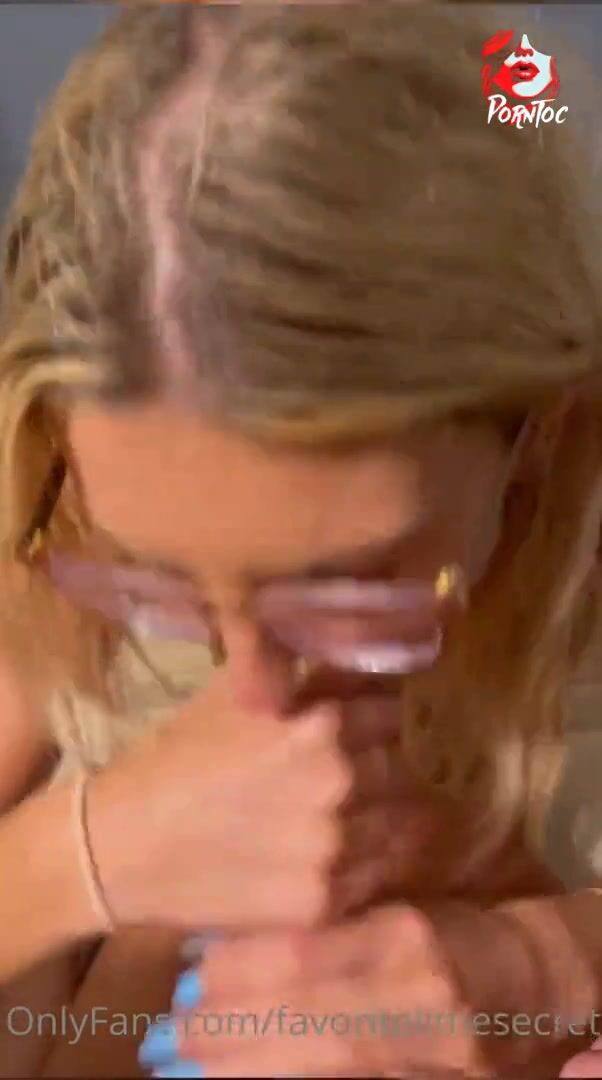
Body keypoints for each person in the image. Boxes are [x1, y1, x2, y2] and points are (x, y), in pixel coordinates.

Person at [0, 2, 602, 1077]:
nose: (254, 694)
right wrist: (87, 855)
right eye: (157, 580)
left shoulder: (511, 79)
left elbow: (534, 90)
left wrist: (544, 962)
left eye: (350, 579)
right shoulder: (59, 521)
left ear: (537, 443)